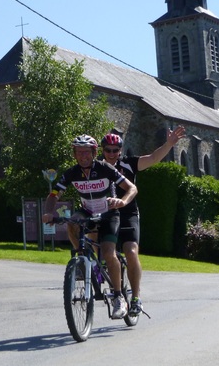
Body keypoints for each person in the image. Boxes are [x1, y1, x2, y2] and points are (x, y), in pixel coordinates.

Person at [42, 134, 137, 320]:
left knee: (109, 253)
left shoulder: (105, 168)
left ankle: (118, 297)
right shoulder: (71, 173)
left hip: (109, 213)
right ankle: (80, 259)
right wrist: (48, 212)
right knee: (71, 222)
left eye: (86, 152)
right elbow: (54, 194)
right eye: (79, 152)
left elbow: (132, 188)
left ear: (94, 153)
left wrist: (122, 202)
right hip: (87, 211)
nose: (83, 156)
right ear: (75, 154)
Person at [100, 125, 186, 316]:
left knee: (130, 251)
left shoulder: (129, 164)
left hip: (128, 213)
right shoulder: (97, 167)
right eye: (108, 150)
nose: (112, 154)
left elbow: (153, 158)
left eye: (115, 151)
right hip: (105, 214)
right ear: (102, 151)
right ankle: (93, 272)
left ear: (120, 151)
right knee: (94, 240)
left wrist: (169, 144)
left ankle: (136, 298)